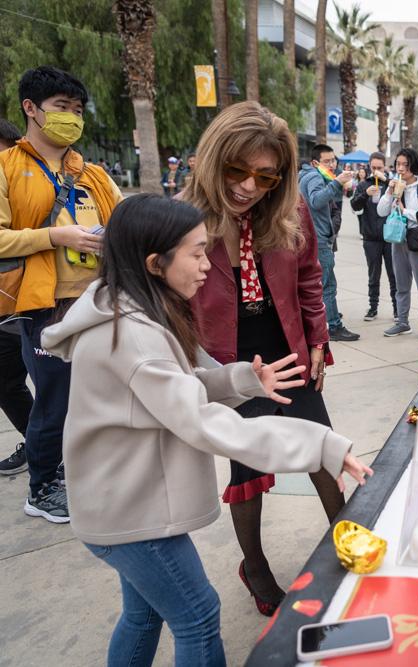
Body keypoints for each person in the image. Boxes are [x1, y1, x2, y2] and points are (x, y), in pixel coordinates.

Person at [41, 194, 371, 667]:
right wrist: (322, 443)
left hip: (121, 501)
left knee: (144, 615)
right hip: (132, 515)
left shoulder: (131, 308)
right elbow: (205, 423)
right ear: (155, 263)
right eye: (197, 253)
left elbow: (178, 387)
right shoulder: (134, 335)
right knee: (197, 616)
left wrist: (240, 378)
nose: (207, 265)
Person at [180, 101, 347, 616]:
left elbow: (308, 278)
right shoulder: (183, 217)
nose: (249, 187)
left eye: (265, 176)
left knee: (323, 447)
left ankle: (350, 544)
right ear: (215, 159)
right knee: (246, 462)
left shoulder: (290, 207)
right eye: (237, 171)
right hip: (227, 355)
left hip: (285, 340)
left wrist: (318, 338)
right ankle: (254, 566)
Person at [0, 66, 122, 522]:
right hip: (42, 308)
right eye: (60, 108)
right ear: (31, 109)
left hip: (97, 301)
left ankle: (84, 472)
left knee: (98, 394)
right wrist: (55, 237)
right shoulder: (7, 168)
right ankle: (42, 486)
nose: (71, 117)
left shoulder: (89, 173)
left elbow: (124, 220)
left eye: (76, 110)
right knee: (54, 400)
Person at [0, 119, 35, 477]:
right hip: (7, 307)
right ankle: (38, 445)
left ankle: (46, 454)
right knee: (8, 382)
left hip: (33, 303)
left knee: (56, 386)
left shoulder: (33, 181)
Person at [298, 144, 359, 342]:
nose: (332, 164)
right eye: (327, 161)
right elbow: (316, 200)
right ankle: (334, 326)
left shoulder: (304, 175)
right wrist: (336, 183)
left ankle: (325, 322)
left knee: (317, 285)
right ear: (316, 163)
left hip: (310, 238)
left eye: (333, 160)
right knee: (327, 285)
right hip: (318, 240)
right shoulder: (315, 176)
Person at [377, 148, 418, 340]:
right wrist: (389, 193)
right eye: (398, 164)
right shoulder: (395, 184)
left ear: (413, 166)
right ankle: (402, 322)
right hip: (397, 238)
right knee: (401, 285)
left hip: (416, 240)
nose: (400, 169)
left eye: (405, 165)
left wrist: (403, 208)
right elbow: (381, 211)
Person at [350, 151, 397, 322]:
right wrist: (365, 194)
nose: (376, 170)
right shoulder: (364, 185)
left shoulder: (390, 184)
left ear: (384, 167)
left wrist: (390, 186)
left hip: (390, 236)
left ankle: (397, 309)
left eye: (379, 167)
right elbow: (354, 205)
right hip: (370, 237)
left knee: (394, 275)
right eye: (373, 167)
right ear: (369, 167)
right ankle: (373, 307)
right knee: (373, 274)